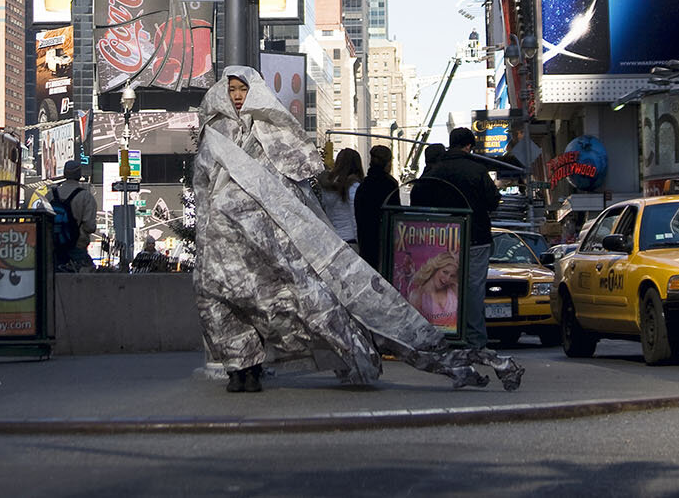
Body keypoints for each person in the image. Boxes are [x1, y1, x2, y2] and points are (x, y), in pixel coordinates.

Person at [193, 66, 523, 395]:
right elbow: (203, 185)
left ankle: (256, 368)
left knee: (281, 300)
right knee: (225, 300)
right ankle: (239, 367)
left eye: (243, 89)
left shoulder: (272, 130)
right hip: (223, 237)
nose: (237, 96)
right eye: (232, 89)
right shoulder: (215, 132)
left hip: (269, 237)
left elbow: (291, 187)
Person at [420, 127, 502, 350]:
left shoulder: (436, 170)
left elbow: (422, 199)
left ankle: (445, 335)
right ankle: (475, 340)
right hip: (476, 237)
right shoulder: (477, 170)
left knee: (444, 286)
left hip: (444, 239)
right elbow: (493, 201)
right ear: (468, 146)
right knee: (474, 289)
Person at [353, 145, 399, 272]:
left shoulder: (363, 186)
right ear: (388, 163)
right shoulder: (391, 184)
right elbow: (396, 213)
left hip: (365, 239)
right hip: (384, 242)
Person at [53, 159, 97, 272]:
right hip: (77, 248)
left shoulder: (51, 195)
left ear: (64, 174)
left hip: (53, 250)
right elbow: (90, 226)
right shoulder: (85, 197)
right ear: (79, 174)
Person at [317, 148, 364, 249]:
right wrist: (360, 242)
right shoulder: (353, 186)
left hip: (333, 240)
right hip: (350, 239)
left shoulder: (327, 186)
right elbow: (355, 216)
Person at [406, 251, 461, 329]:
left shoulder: (454, 288)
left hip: (451, 337)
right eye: (445, 272)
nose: (447, 279)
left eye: (452, 276)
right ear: (436, 269)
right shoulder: (417, 296)